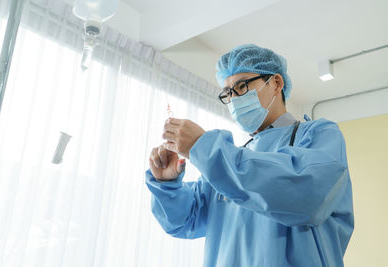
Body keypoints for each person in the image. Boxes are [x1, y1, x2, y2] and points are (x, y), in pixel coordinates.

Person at [145, 44, 354, 267]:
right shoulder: (227, 162)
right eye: (228, 92)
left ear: (276, 83)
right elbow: (186, 221)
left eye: (242, 86)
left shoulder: (318, 135)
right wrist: (167, 185)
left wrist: (204, 146)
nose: (234, 98)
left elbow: (306, 194)